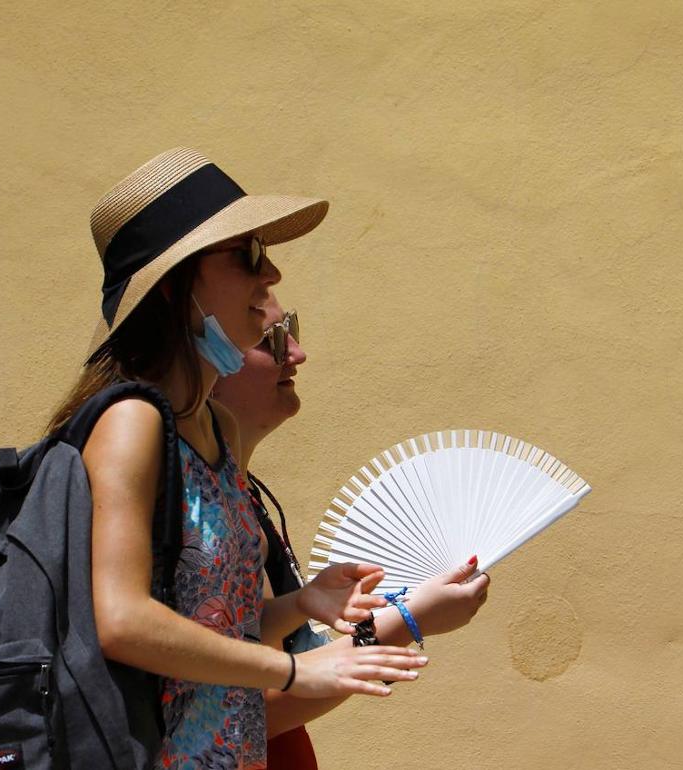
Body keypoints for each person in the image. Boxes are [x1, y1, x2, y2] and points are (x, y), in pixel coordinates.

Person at [46, 148, 429, 769]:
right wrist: (292, 670)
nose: (271, 274)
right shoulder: (131, 423)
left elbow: (208, 621)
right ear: (175, 286)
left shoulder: (216, 429)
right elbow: (120, 620)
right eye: (247, 254)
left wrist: (299, 606)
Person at [212, 296, 493, 768]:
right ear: (207, 362)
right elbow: (252, 709)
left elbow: (252, 646)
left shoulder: (240, 493)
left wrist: (300, 606)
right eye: (271, 338)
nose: (296, 354)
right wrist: (407, 620)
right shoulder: (203, 511)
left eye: (292, 329)